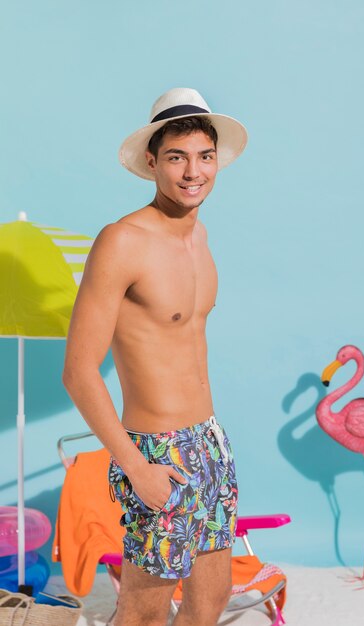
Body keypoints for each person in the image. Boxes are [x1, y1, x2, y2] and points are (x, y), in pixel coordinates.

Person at [62, 87, 248, 626]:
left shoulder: (200, 237)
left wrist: (212, 446)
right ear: (152, 162)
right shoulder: (122, 241)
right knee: (143, 611)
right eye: (177, 157)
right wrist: (136, 465)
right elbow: (78, 372)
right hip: (156, 451)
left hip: (209, 442)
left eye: (204, 157)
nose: (193, 172)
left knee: (210, 600)